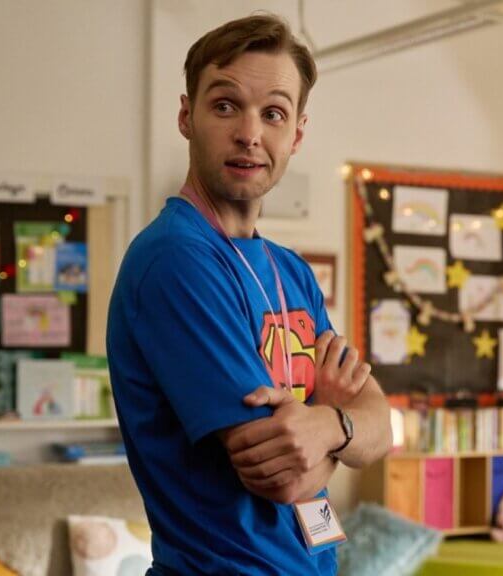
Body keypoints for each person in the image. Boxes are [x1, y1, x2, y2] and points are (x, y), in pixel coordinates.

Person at [107, 14, 391, 575]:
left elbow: (384, 424)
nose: (250, 133)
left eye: (274, 113)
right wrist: (340, 418)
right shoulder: (176, 259)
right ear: (186, 116)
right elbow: (282, 478)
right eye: (226, 105)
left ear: (297, 134)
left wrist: (329, 425)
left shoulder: (291, 271)